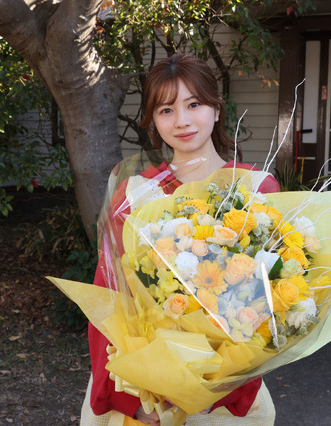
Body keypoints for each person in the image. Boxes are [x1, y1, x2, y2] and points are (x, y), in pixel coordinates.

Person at [81, 54, 279, 426]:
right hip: (142, 388)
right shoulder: (135, 193)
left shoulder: (255, 189)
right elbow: (109, 296)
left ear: (216, 109)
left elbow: (270, 307)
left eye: (194, 104)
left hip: (225, 395)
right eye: (166, 110)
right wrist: (127, 399)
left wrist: (217, 388)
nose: (182, 121)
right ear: (153, 120)